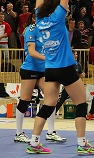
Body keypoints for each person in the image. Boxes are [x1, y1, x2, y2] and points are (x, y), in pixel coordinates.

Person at [23, 0, 94, 154]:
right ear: (56, 9)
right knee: (81, 104)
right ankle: (82, 144)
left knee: (48, 105)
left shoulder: (39, 20)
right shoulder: (57, 17)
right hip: (65, 67)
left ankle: (33, 143)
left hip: (49, 68)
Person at [14, 13, 65, 143]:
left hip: (43, 70)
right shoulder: (30, 30)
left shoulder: (47, 30)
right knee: (25, 99)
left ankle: (50, 132)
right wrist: (48, 58)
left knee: (51, 97)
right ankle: (19, 133)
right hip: (30, 68)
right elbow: (31, 52)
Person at [55, 49, 85, 114]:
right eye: (74, 54)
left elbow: (80, 74)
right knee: (61, 100)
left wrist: (82, 75)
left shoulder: (78, 64)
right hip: (68, 85)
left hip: (76, 86)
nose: (76, 56)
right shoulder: (66, 64)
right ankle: (53, 113)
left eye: (76, 54)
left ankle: (80, 114)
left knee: (80, 101)